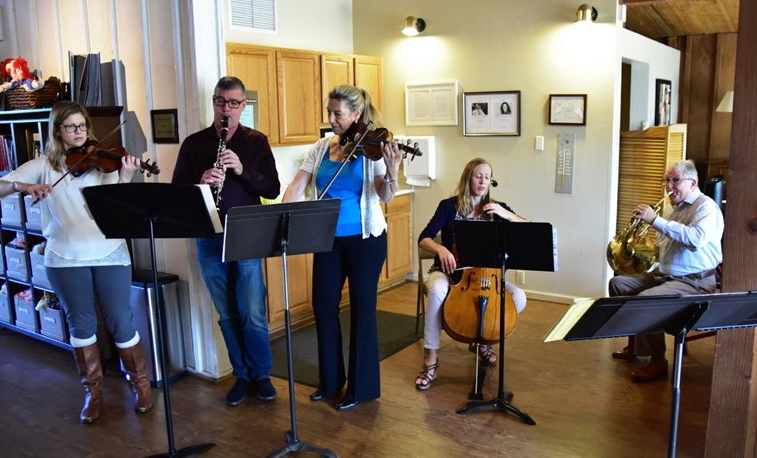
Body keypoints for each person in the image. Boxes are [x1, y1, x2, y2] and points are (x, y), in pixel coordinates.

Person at [0, 100, 153, 423]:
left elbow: (117, 210)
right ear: (57, 131)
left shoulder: (106, 162)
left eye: (82, 126)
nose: (79, 133)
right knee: (81, 324)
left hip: (108, 251)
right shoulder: (43, 165)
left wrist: (127, 174)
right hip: (64, 256)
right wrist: (25, 186)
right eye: (71, 127)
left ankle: (142, 386)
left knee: (121, 321)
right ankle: (93, 393)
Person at [282, 84, 402, 410]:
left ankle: (360, 388)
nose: (332, 119)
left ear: (356, 115)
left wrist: (392, 171)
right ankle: (330, 381)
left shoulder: (370, 148)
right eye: (330, 112)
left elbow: (385, 195)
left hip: (366, 240)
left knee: (362, 311)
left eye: (338, 113)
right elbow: (298, 184)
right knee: (323, 306)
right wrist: (282, 211)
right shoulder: (322, 147)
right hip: (326, 239)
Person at [171, 76, 280, 405]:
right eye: (221, 102)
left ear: (244, 106)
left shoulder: (256, 142)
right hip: (209, 235)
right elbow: (177, 194)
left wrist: (242, 170)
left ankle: (261, 374)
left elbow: (272, 189)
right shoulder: (194, 144)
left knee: (252, 311)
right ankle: (241, 374)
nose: (226, 109)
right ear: (214, 103)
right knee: (227, 312)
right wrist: (201, 183)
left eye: (234, 103)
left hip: (247, 234)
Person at [415, 157, 528, 391]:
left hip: (488, 276)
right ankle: (431, 358)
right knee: (436, 290)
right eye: (479, 175)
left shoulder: (497, 208)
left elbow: (528, 229)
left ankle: (484, 342)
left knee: (519, 297)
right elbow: (424, 237)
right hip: (450, 271)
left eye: (487, 177)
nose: (483, 180)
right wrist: (441, 248)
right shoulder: (449, 206)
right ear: (468, 178)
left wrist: (506, 215)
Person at [610, 159, 723, 381]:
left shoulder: (706, 207)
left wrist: (656, 220)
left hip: (694, 281)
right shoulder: (675, 208)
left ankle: (658, 360)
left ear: (692, 183)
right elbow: (665, 245)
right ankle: (639, 347)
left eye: (675, 180)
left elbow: (695, 239)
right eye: (667, 180)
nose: (669, 186)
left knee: (645, 300)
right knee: (618, 284)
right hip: (666, 275)